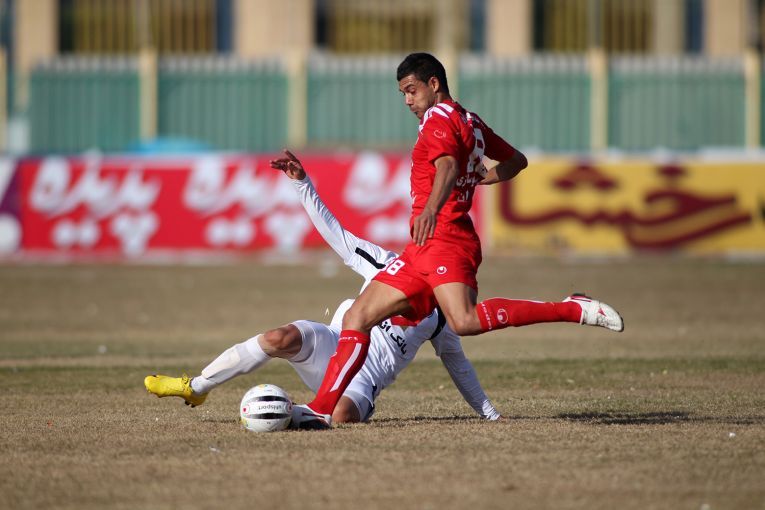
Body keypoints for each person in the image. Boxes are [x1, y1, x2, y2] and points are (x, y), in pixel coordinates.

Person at [291, 52, 624, 429]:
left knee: (463, 321)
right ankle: (321, 408)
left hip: (446, 238)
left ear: (434, 84)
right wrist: (480, 178)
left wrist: (432, 208)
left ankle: (570, 309)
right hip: (422, 248)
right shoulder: (470, 121)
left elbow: (447, 165)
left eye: (411, 90)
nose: (407, 100)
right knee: (358, 316)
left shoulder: (438, 117)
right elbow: (516, 162)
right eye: (402, 93)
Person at [144, 151, 501, 426]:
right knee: (278, 337)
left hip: (362, 381)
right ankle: (196, 387)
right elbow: (338, 237)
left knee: (342, 416)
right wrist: (302, 183)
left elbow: (459, 366)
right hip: (331, 345)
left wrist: (490, 414)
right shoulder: (386, 263)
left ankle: (280, 415)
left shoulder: (444, 312)